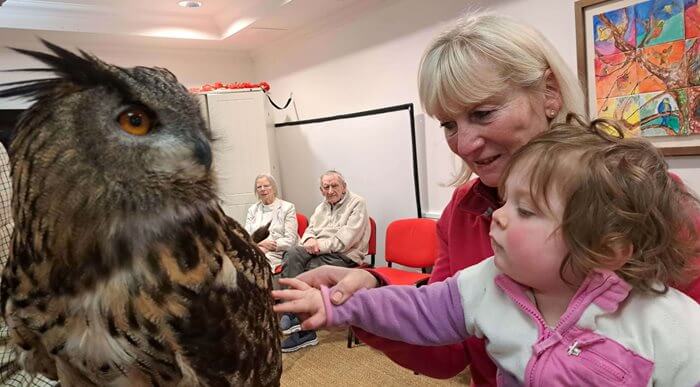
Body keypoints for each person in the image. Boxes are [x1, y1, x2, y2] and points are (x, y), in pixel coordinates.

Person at [291, 12, 700, 386]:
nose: (465, 144)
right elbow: (449, 345)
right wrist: (363, 297)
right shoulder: (463, 210)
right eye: (449, 124)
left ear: (549, 93)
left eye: (483, 113)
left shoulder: (645, 203)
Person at [273, 117, 700, 385]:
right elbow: (420, 310)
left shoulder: (671, 326)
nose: (498, 215)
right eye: (506, 201)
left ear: (605, 248)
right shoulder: (486, 282)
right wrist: (339, 304)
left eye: (526, 210)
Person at [278, 170, 370, 352]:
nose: (330, 190)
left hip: (345, 256)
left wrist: (317, 245)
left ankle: (305, 330)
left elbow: (344, 241)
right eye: (325, 187)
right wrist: (309, 241)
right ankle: (295, 313)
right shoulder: (321, 208)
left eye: (334, 186)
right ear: (321, 190)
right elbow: (309, 231)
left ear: (344, 187)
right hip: (319, 251)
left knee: (308, 271)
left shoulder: (357, 203)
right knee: (292, 254)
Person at [244, 173, 298, 271]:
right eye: (259, 187)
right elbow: (246, 236)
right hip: (257, 249)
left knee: (255, 265)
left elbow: (291, 240)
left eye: (266, 185)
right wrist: (260, 244)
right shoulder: (252, 210)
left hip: (280, 252)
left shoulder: (287, 208)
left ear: (273, 188)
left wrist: (270, 246)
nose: (262, 189)